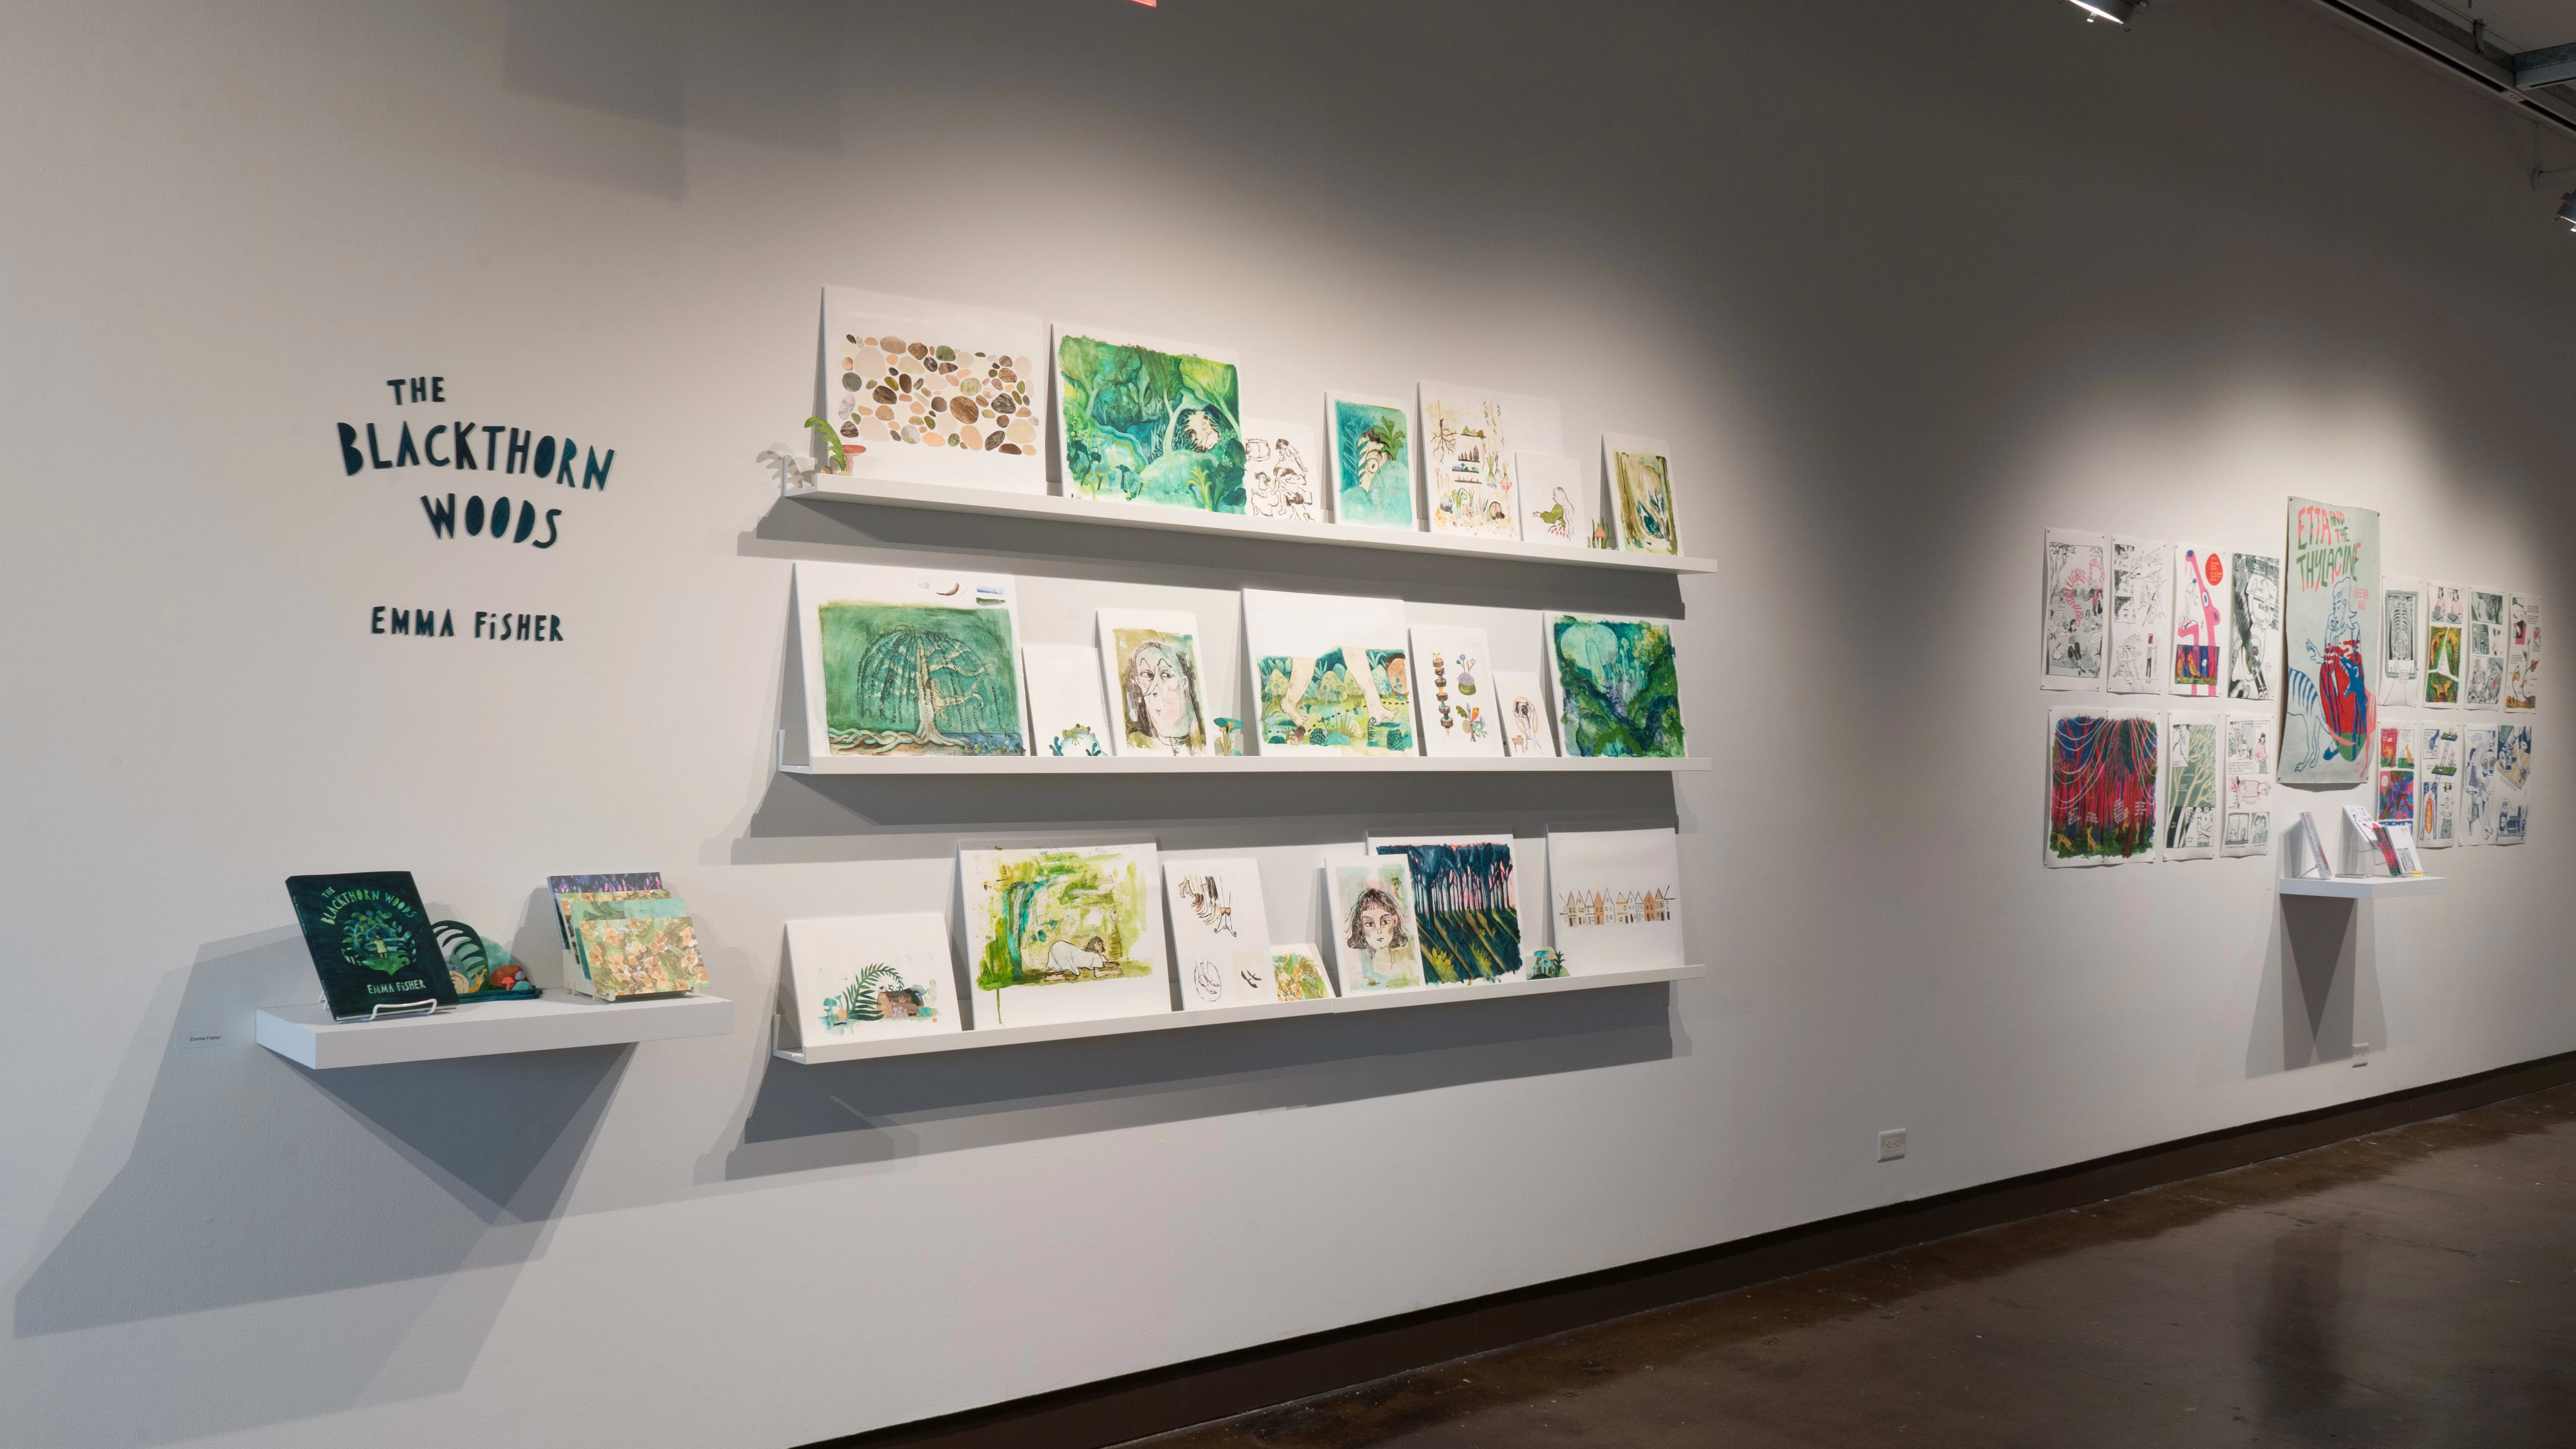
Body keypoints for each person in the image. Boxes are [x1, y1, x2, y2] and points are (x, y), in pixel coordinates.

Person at [1122, 638, 1204, 754]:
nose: (1156, 686)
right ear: (1139, 682)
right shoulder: (1134, 743)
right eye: (1147, 675)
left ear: (1184, 682)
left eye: (1166, 675)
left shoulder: (1202, 741)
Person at [1344, 884, 1417, 989]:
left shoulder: (1409, 968)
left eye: (1385, 922)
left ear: (1395, 921)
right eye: (1370, 924)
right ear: (1360, 927)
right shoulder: (1357, 974)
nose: (1379, 930)